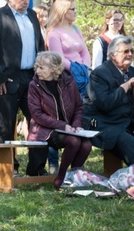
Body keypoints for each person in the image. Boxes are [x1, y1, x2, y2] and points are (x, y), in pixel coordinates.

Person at [0, 0, 45, 173]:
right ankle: (8, 169)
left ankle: (36, 168)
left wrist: (41, 72)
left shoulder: (32, 16)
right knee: (5, 124)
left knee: (38, 121)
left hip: (31, 77)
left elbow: (39, 45)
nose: (26, 2)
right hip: (6, 78)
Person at [27, 52, 92, 190]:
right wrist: (63, 125)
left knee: (86, 144)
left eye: (42, 68)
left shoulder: (69, 82)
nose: (37, 71)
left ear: (54, 69)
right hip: (45, 129)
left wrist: (76, 125)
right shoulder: (34, 85)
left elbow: (79, 107)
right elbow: (37, 114)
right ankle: (61, 178)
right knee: (73, 141)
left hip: (68, 128)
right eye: (36, 67)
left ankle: (73, 177)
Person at [83, 36, 134, 165]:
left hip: (133, 123)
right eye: (125, 51)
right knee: (129, 143)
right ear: (112, 55)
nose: (130, 54)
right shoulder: (99, 74)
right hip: (108, 124)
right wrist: (125, 86)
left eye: (131, 51)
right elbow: (105, 104)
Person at [45, 0, 90, 97]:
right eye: (73, 9)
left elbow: (84, 51)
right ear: (63, 10)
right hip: (67, 78)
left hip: (83, 74)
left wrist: (85, 68)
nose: (75, 12)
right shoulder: (54, 33)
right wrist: (76, 69)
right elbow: (59, 59)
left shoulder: (75, 29)